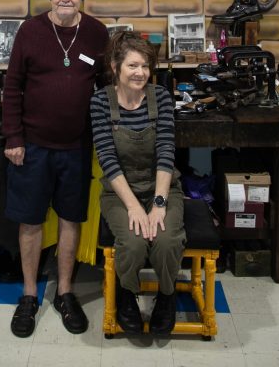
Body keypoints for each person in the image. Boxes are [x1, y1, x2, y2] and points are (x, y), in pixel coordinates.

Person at [2, 0, 109, 338]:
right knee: (30, 221)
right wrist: (13, 137)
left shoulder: (96, 33)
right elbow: (12, 86)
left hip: (76, 148)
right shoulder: (30, 31)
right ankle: (30, 295)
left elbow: (106, 85)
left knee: (70, 219)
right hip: (32, 147)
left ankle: (64, 292)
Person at [90, 31, 185, 336]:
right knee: (132, 243)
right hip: (119, 192)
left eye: (145, 66)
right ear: (115, 67)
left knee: (166, 240)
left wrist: (158, 204)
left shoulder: (161, 98)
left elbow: (166, 151)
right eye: (132, 65)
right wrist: (133, 207)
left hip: (162, 187)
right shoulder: (100, 101)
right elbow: (107, 157)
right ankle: (126, 293)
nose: (140, 73)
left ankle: (167, 296)